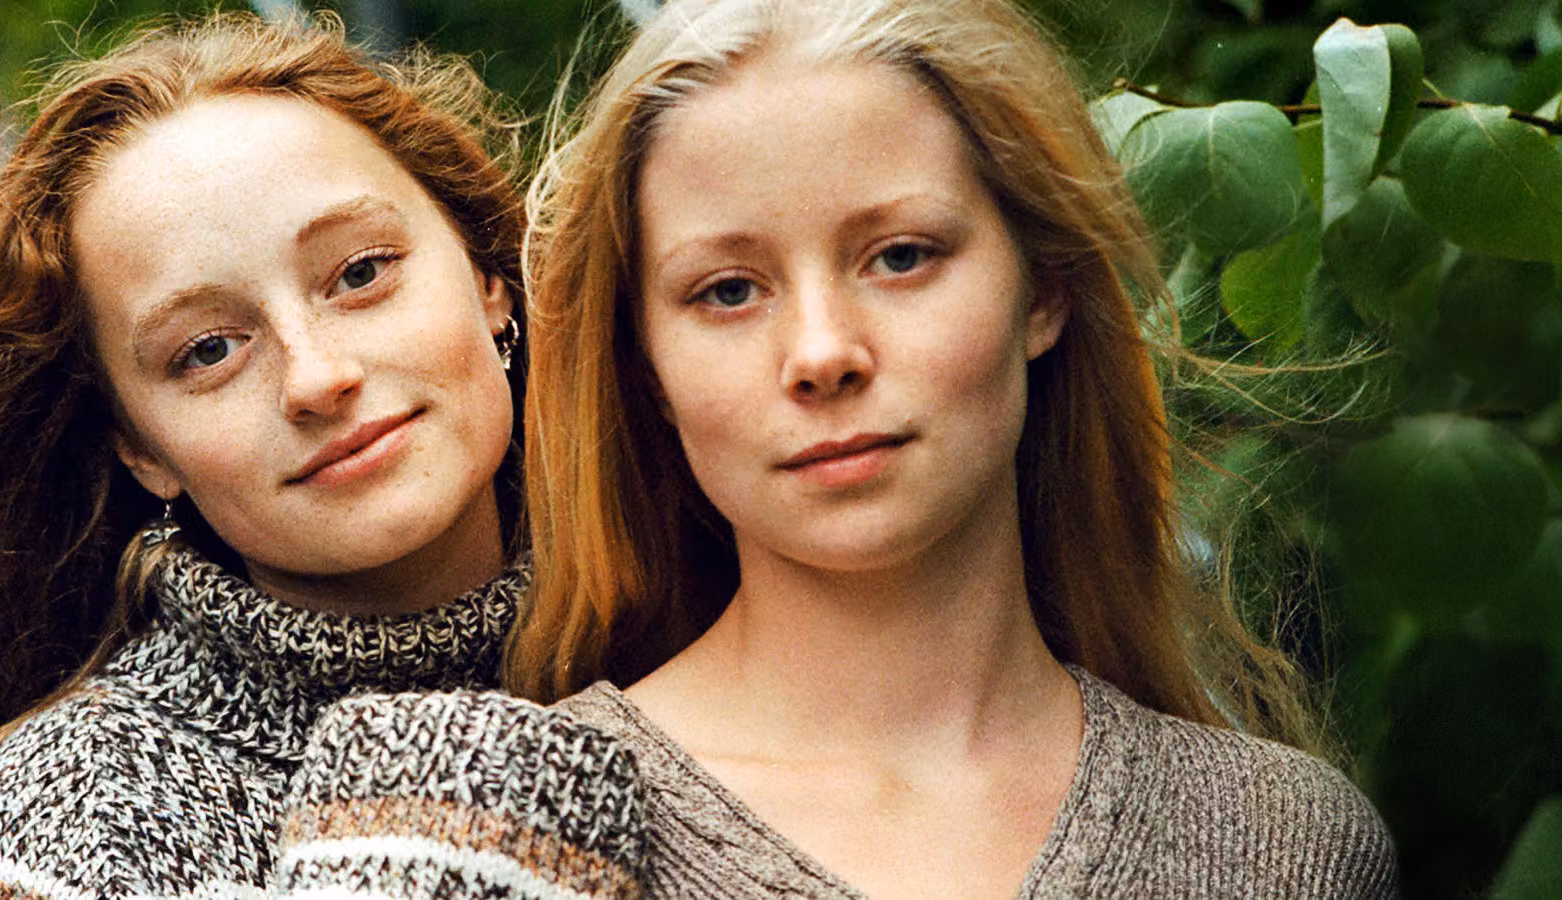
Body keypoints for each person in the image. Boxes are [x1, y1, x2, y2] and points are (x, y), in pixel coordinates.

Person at [512, 0, 1398, 895]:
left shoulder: (1284, 843)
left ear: (1043, 289)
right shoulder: (516, 829)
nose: (822, 354)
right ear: (648, 368)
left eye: (900, 257)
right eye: (728, 291)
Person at [0, 13, 642, 899]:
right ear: (141, 449)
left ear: (488, 280)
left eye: (361, 273)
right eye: (208, 351)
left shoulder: (711, 631)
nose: (318, 378)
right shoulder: (63, 828)